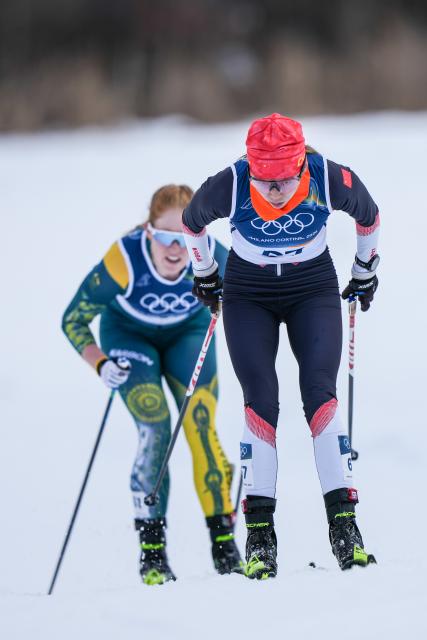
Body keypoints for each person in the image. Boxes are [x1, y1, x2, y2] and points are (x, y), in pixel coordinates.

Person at [182, 113, 380, 579]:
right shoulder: (230, 183)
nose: (274, 190)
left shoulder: (328, 176)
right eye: (265, 180)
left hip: (312, 288)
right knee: (260, 402)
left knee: (319, 394)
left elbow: (369, 217)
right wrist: (205, 271)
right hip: (249, 294)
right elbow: (192, 224)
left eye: (284, 180)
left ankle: (345, 527)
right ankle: (260, 538)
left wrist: (365, 270)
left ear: (300, 165)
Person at [62, 184, 244, 585]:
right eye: (164, 237)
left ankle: (224, 547)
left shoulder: (212, 255)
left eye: (185, 237)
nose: (176, 249)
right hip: (129, 337)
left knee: (200, 426)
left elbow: (256, 295)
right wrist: (100, 364)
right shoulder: (123, 259)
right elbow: (72, 319)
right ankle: (152, 554)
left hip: (188, 334)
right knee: (156, 426)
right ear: (148, 231)